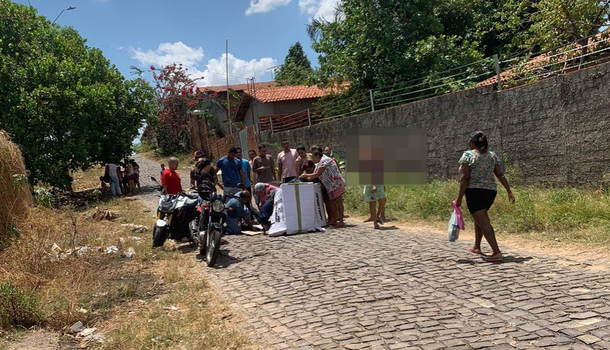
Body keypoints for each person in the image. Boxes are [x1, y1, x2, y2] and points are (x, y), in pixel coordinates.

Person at [455, 131, 515, 263]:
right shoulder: (492, 156)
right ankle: (477, 246)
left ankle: (496, 252)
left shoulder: (468, 155)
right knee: (480, 216)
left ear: (472, 143)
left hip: (475, 192)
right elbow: (500, 175)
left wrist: (459, 198)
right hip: (490, 192)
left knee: (483, 221)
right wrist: (509, 190)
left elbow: (465, 178)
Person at [300, 150, 347, 227]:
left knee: (338, 202)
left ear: (317, 156)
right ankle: (334, 220)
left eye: (314, 158)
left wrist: (305, 176)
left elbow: (317, 174)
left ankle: (341, 220)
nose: (314, 160)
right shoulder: (320, 163)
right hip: (330, 185)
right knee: (333, 202)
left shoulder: (324, 161)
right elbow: (315, 175)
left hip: (336, 184)